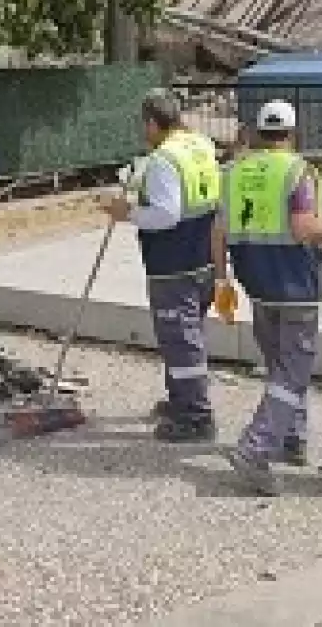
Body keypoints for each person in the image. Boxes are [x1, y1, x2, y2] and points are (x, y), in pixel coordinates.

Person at [212, 100, 322, 495]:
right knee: (294, 371)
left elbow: (218, 232)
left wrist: (222, 281)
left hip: (257, 283)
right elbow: (303, 228)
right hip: (295, 283)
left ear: (257, 131)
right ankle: (256, 448)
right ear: (292, 132)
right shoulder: (297, 172)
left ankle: (292, 438)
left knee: (278, 365)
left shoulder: (234, 171)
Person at [101, 88, 221, 442]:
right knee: (188, 334)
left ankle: (196, 416)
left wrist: (128, 213)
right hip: (203, 256)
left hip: (174, 261)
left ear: (153, 122)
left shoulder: (164, 159)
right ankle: (181, 399)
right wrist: (137, 178)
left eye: (144, 125)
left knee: (181, 340)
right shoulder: (199, 145)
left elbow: (167, 213)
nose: (143, 132)